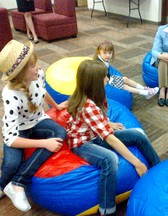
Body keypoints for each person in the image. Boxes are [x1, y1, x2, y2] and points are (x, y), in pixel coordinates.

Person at [66, 60, 161, 216]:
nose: (108, 79)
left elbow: (96, 119)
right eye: (105, 77)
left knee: (137, 136)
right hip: (82, 142)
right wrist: (136, 163)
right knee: (110, 159)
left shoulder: (98, 95)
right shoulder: (87, 105)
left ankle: (158, 168)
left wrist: (108, 123)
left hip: (94, 133)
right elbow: (110, 139)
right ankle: (107, 209)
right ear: (95, 82)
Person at [0, 40, 67, 211]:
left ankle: (18, 183)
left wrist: (57, 106)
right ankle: (2, 185)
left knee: (60, 132)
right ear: (21, 74)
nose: (37, 67)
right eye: (32, 66)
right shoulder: (10, 95)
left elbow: (42, 91)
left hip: (38, 121)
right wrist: (44, 143)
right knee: (11, 163)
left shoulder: (39, 74)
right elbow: (10, 138)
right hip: (19, 131)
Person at [94, 40, 159, 99]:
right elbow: (101, 79)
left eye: (110, 53)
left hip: (109, 78)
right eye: (105, 53)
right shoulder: (99, 64)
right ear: (99, 53)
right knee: (124, 86)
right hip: (104, 82)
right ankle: (146, 93)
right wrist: (111, 81)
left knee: (125, 79)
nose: (108, 55)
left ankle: (145, 89)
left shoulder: (103, 60)